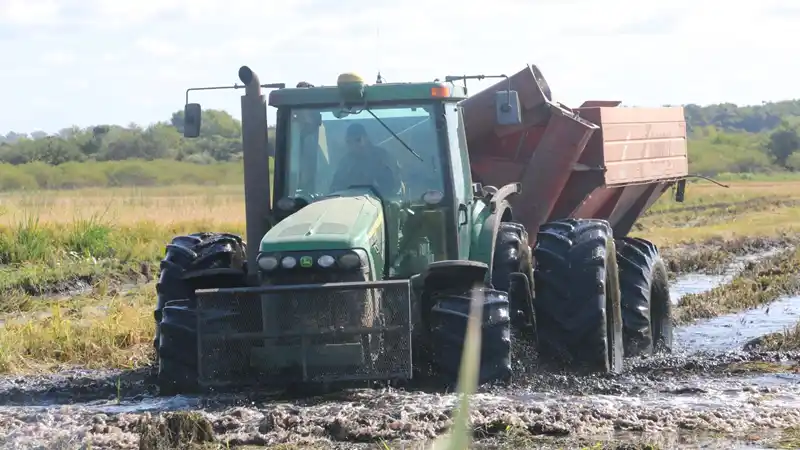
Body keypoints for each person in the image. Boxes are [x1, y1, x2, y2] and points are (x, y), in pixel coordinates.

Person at [329, 123, 402, 197]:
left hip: (380, 201)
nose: (354, 144)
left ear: (366, 138)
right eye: (349, 142)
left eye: (358, 140)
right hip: (351, 202)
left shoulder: (383, 157)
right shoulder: (345, 162)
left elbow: (394, 187)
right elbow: (335, 188)